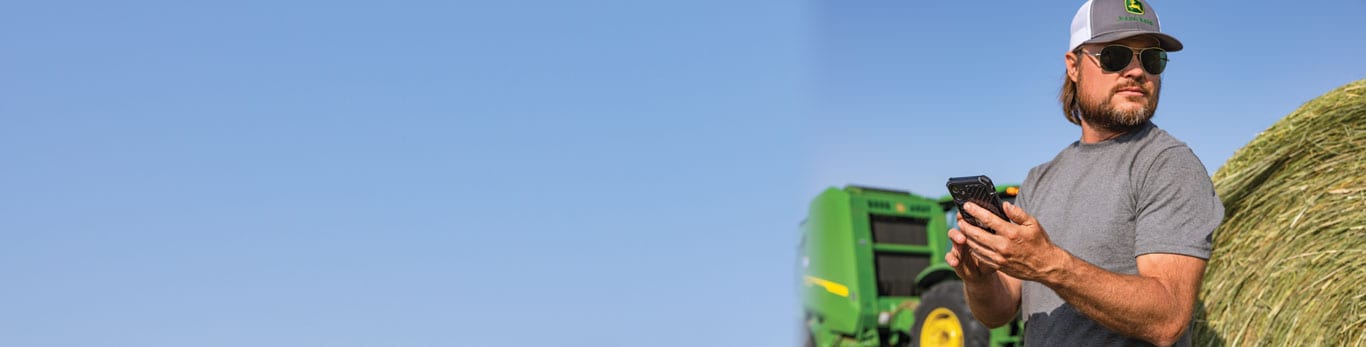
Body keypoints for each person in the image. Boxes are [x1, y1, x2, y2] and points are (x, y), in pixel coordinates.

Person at [944, 0, 1225, 346]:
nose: (1137, 72)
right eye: (1115, 56)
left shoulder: (1168, 165)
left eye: (1151, 59)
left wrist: (1049, 264)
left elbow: (1168, 318)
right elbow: (1000, 311)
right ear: (1073, 66)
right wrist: (980, 279)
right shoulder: (1039, 179)